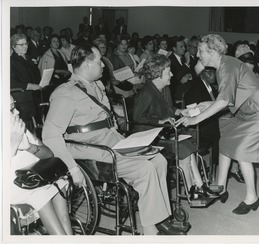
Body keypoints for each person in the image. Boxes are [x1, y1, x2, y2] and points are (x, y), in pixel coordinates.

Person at [42, 43, 189, 235]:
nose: (103, 65)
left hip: (112, 140)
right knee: (144, 168)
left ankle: (159, 219)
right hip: (89, 148)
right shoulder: (66, 93)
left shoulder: (97, 85)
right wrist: (72, 168)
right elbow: (50, 135)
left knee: (158, 159)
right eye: (98, 62)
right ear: (86, 65)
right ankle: (151, 230)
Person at [176, 34, 259, 214]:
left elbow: (224, 102)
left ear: (212, 51)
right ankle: (220, 187)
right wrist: (199, 107)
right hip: (248, 108)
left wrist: (194, 119)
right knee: (225, 137)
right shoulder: (223, 64)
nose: (197, 53)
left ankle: (252, 198)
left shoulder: (226, 66)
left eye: (201, 50)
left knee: (242, 150)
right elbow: (225, 99)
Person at [133, 54, 219, 200]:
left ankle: (197, 186)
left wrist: (179, 111)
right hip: (149, 134)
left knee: (188, 145)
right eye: (168, 72)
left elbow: (168, 108)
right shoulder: (146, 93)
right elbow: (137, 118)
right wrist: (160, 122)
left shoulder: (164, 88)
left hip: (163, 132)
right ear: (158, 74)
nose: (172, 75)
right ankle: (192, 188)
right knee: (185, 150)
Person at [10, 95, 73, 235]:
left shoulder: (19, 128)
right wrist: (13, 145)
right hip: (12, 185)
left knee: (59, 185)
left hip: (35, 176)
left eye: (14, 105)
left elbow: (49, 154)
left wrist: (30, 147)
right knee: (42, 194)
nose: (17, 112)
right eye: (11, 109)